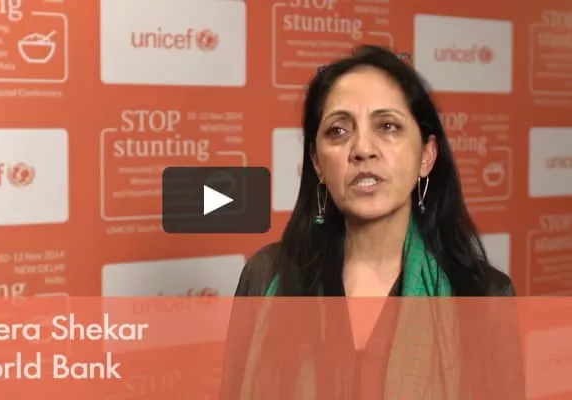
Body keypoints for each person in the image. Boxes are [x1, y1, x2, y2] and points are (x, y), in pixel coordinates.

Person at [220, 45, 524, 399]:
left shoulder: (484, 296)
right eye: (338, 131)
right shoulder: (265, 276)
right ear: (317, 163)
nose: (363, 149)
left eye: (388, 126)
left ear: (427, 156)